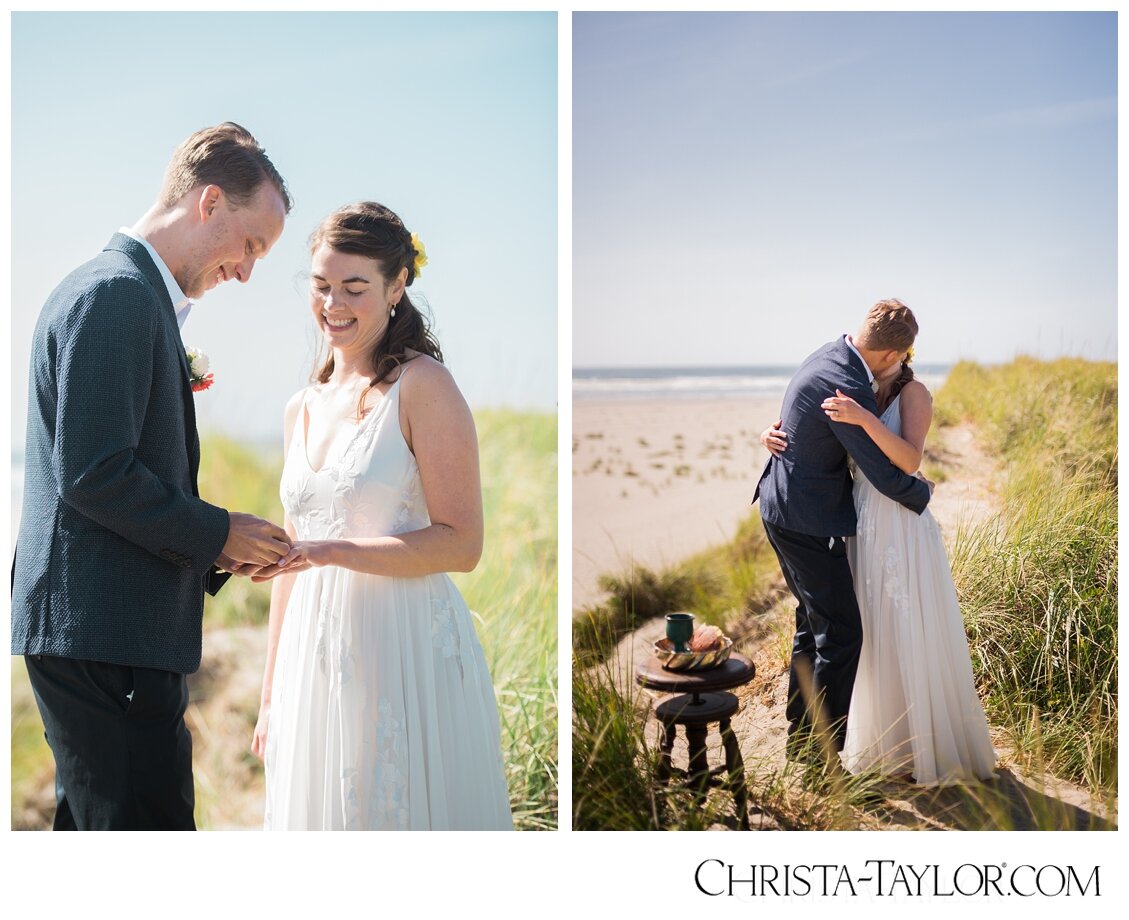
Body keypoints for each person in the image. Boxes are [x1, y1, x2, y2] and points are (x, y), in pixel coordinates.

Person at [12, 122, 294, 830]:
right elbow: (95, 473)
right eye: (251, 245)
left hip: (104, 629)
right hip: (104, 633)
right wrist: (217, 530)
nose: (247, 270)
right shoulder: (118, 295)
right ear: (208, 204)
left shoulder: (125, 292)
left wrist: (220, 546)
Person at [249, 201, 513, 830]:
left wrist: (332, 551)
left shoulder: (425, 386)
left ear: (397, 287)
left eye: (353, 287)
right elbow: (290, 564)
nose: (332, 304)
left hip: (404, 655)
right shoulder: (300, 408)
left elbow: (462, 544)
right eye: (320, 286)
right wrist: (269, 696)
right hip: (312, 665)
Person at [763, 333, 997, 785]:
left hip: (898, 523)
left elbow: (907, 461)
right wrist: (772, 433)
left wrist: (918, 492)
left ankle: (848, 745)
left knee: (879, 625)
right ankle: (814, 742)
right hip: (859, 521)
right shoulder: (855, 382)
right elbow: (810, 419)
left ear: (898, 354)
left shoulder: (911, 393)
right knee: (842, 626)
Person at [752, 300, 933, 764]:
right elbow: (879, 470)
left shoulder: (829, 352)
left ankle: (801, 738)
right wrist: (920, 496)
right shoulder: (848, 383)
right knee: (842, 634)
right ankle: (820, 759)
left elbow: (798, 424)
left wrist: (773, 437)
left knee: (812, 625)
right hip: (805, 518)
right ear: (895, 355)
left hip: (786, 507)